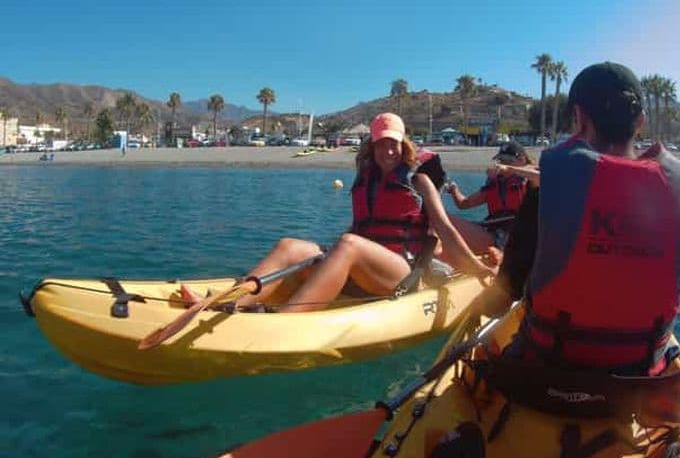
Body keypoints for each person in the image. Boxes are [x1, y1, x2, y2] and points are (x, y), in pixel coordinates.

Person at [491, 62, 680, 373]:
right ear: (640, 121)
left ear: (578, 119)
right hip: (639, 372)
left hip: (548, 370)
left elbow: (508, 288)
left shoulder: (552, 184)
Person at [181, 112, 497, 313]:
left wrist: (476, 268)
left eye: (394, 145)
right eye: (381, 145)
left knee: (347, 244)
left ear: (404, 146)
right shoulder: (366, 178)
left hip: (403, 272)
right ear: (371, 147)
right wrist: (331, 256)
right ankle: (225, 304)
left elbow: (445, 229)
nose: (388, 151)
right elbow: (362, 227)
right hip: (364, 266)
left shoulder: (419, 180)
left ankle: (282, 322)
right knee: (290, 246)